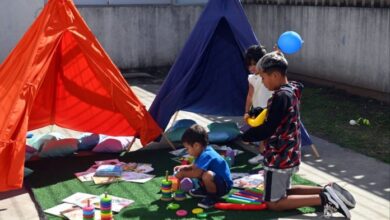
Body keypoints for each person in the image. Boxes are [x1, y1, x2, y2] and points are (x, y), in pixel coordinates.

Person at [242, 51, 355, 218]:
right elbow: (276, 114)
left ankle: (324, 198)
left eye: (263, 77)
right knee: (285, 191)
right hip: (290, 150)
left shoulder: (280, 96)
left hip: (278, 154)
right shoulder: (292, 89)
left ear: (274, 75)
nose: (263, 82)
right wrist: (260, 112)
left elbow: (268, 128)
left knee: (274, 203)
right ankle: (327, 189)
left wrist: (245, 136)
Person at [174, 124, 233, 209]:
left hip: (224, 186)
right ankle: (204, 190)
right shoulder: (201, 152)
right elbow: (195, 166)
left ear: (196, 145)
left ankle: (212, 197)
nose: (187, 151)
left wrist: (183, 174)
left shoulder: (207, 154)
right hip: (216, 181)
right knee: (204, 173)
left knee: (207, 175)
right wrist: (185, 167)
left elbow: (196, 173)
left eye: (187, 148)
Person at [243, 45, 273, 164]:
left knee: (269, 135)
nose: (251, 68)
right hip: (258, 111)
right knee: (262, 135)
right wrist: (246, 111)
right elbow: (250, 95)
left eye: (254, 64)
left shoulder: (268, 75)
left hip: (270, 110)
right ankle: (262, 155)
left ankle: (269, 156)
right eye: (249, 65)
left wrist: (277, 53)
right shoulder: (251, 78)